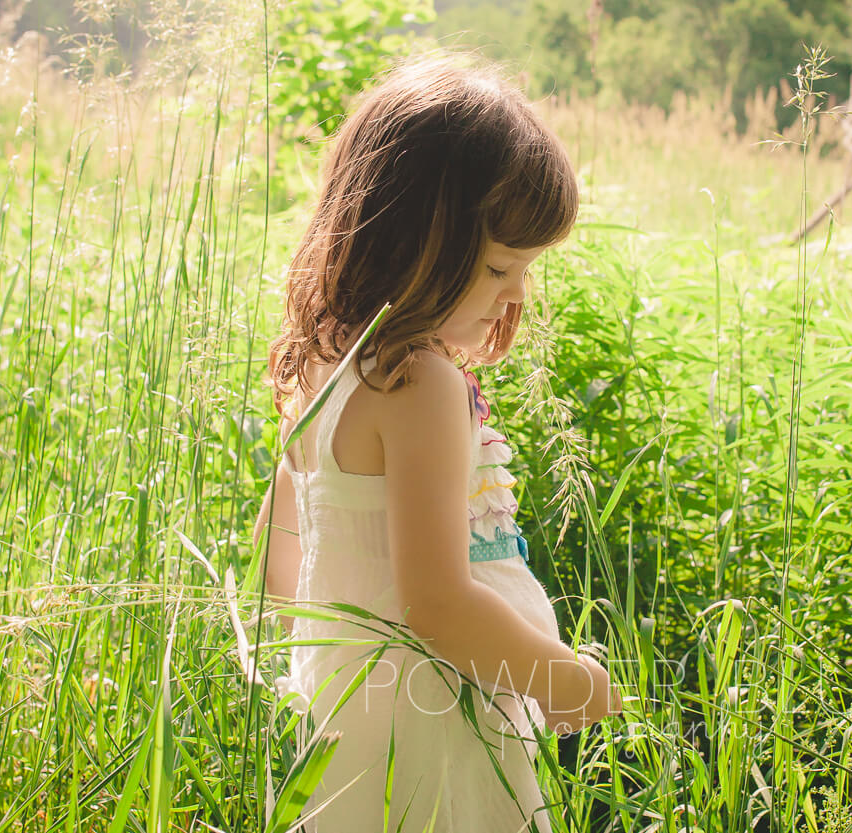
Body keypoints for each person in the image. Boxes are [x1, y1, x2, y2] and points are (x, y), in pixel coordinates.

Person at [252, 55, 621, 833]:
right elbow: (439, 604)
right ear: (415, 241)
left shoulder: (326, 367)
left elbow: (276, 561)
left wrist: (329, 679)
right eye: (498, 267)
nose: (517, 294)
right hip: (441, 732)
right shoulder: (419, 388)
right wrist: (567, 681)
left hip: (357, 733)